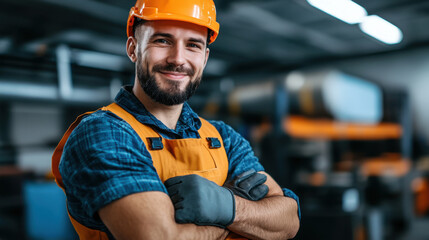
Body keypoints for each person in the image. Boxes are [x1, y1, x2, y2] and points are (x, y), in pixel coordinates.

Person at [51, 0, 301, 239]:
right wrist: (236, 218)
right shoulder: (104, 132)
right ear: (132, 49)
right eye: (162, 40)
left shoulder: (223, 137)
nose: (178, 59)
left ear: (204, 58)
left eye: (193, 45)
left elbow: (288, 221)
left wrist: (226, 205)